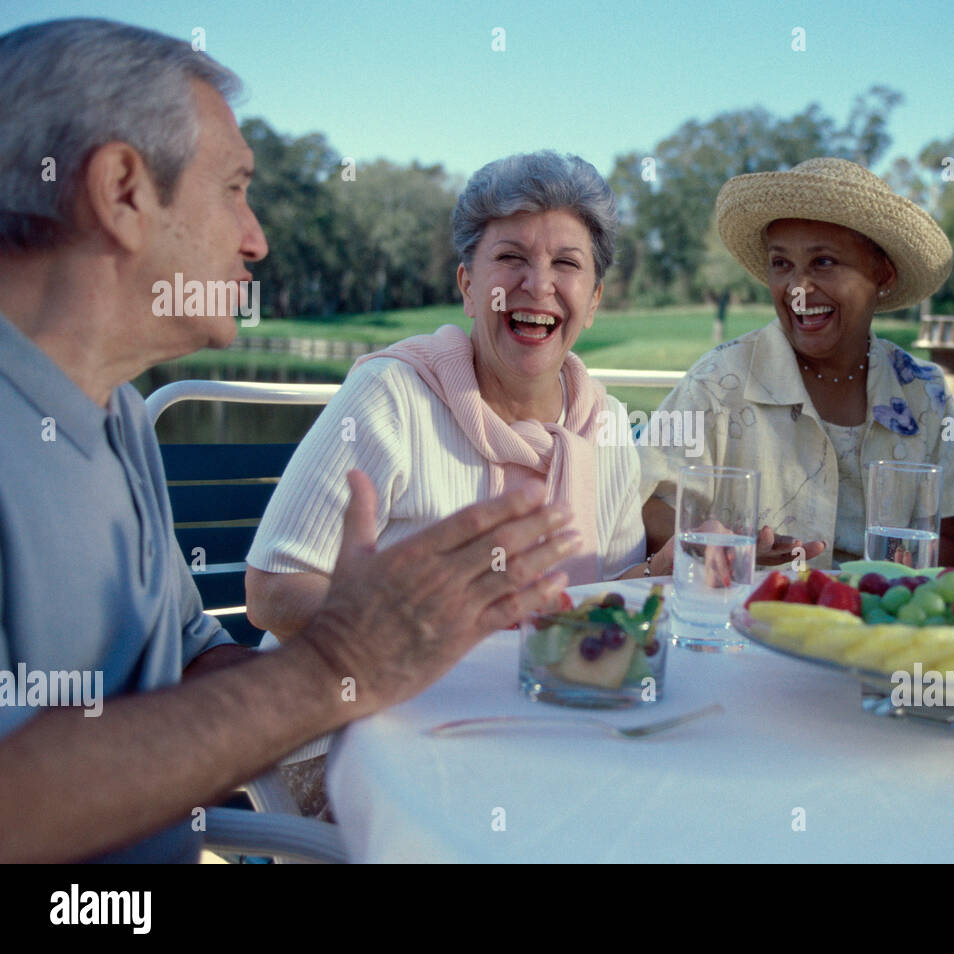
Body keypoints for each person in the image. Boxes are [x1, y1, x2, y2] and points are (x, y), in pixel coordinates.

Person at [0, 18, 575, 863]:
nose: (256, 237)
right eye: (234, 187)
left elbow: (192, 666)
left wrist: (397, 653)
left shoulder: (114, 410)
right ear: (122, 190)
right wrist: (336, 659)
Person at [244, 151, 662, 645]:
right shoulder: (391, 396)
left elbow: (597, 602)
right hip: (373, 700)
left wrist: (665, 574)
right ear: (468, 286)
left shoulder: (607, 424)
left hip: (540, 700)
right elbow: (273, 591)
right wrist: (428, 617)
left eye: (566, 263)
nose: (538, 284)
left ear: (592, 301)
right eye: (511, 258)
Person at [639, 158, 954, 569]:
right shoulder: (718, 383)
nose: (798, 289)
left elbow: (949, 535)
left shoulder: (924, 392)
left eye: (824, 262)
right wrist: (718, 547)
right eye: (781, 264)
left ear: (882, 274)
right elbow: (646, 502)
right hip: (749, 617)